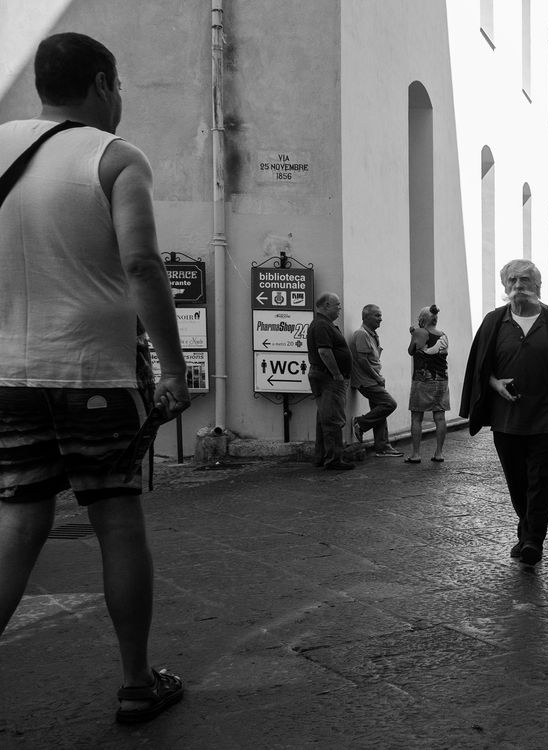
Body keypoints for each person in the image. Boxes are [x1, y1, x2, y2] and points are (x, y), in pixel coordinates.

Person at [0, 33, 190, 723]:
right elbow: (142, 265)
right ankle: (137, 681)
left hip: (8, 376)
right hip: (94, 373)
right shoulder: (114, 157)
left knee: (18, 525)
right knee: (116, 523)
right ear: (104, 83)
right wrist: (173, 366)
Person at [460, 260, 548, 566]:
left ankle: (533, 541)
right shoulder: (494, 321)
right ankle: (525, 530)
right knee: (517, 481)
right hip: (507, 419)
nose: (519, 285)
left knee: (540, 479)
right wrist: (494, 382)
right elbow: (481, 366)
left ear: (537, 286)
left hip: (547, 416)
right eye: (513, 280)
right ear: (506, 286)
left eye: (526, 279)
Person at [350, 304, 403, 457]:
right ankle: (361, 423)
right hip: (367, 381)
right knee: (389, 404)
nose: (381, 319)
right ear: (366, 317)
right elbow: (362, 361)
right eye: (377, 315)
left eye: (380, 315)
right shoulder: (362, 334)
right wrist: (377, 377)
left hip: (373, 379)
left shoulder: (371, 334)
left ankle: (382, 447)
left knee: (379, 412)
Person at [307, 293, 354, 471]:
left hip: (324, 375)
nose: (340, 308)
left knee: (324, 417)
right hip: (328, 377)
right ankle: (334, 459)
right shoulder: (321, 325)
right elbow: (324, 352)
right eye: (337, 305)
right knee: (332, 418)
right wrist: (337, 374)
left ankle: (321, 456)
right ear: (326, 305)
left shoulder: (323, 324)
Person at [405, 304, 449, 463]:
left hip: (422, 380)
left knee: (417, 417)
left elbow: (411, 350)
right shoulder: (443, 334)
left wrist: (413, 334)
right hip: (441, 379)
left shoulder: (420, 332)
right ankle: (439, 453)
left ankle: (416, 454)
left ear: (422, 319)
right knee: (440, 416)